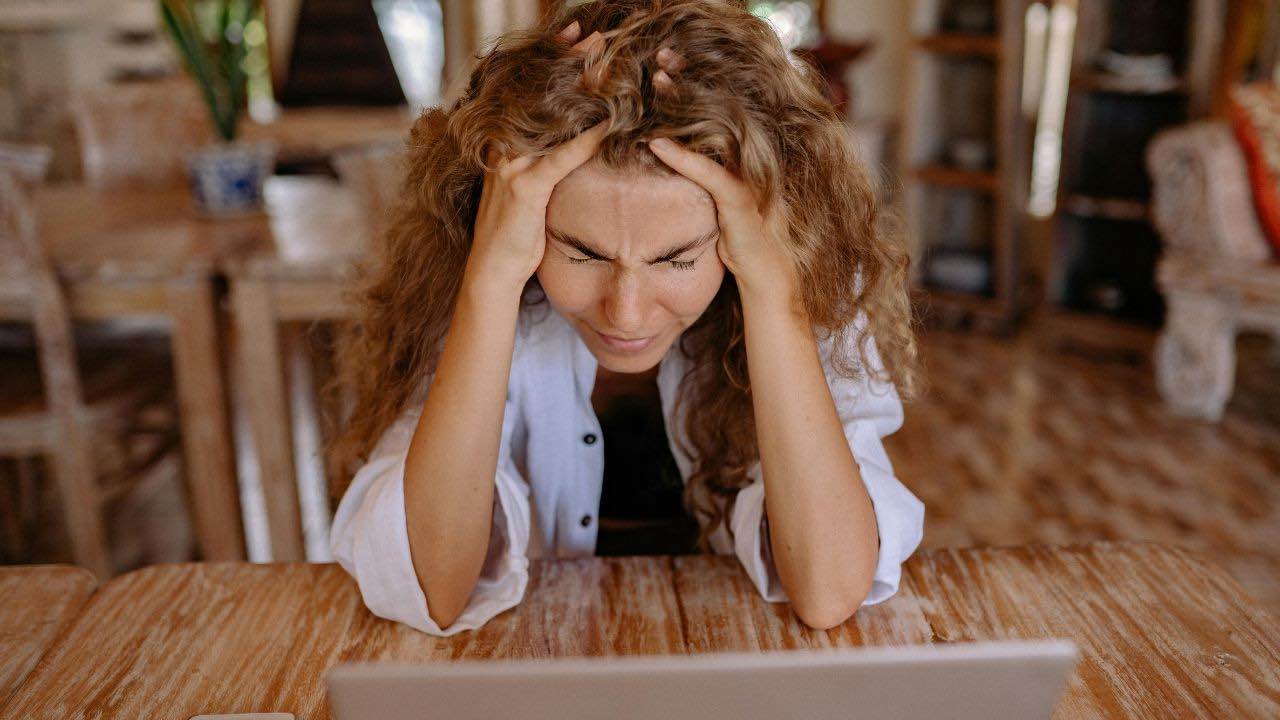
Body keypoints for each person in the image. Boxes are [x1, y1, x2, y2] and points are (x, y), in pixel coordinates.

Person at [328, 0, 925, 636]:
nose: (627, 312)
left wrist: (774, 294)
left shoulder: (802, 281)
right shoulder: (468, 279)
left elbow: (830, 590)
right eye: (582, 252)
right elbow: (432, 589)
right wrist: (490, 280)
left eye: (676, 259)